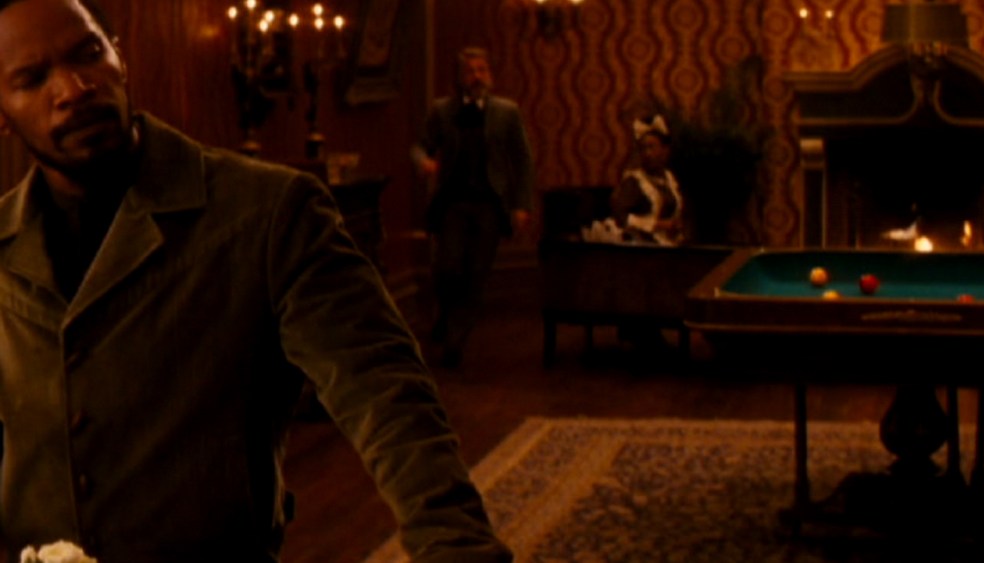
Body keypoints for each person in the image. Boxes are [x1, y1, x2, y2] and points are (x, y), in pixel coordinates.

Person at [0, 1, 512, 561]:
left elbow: (388, 396)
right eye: (33, 79)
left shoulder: (266, 212)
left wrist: (456, 544)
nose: (74, 88)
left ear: (118, 56)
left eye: (87, 53)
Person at [411, 46, 534, 369]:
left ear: (489, 74)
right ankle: (446, 315)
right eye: (470, 71)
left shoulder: (507, 112)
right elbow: (420, 146)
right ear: (459, 77)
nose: (477, 77)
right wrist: (423, 161)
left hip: (489, 205)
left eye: (482, 70)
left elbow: (522, 160)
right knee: (448, 268)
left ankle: (455, 342)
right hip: (453, 203)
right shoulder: (442, 111)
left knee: (476, 274)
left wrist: (521, 204)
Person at [610, 114, 685, 246]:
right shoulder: (634, 181)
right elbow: (621, 217)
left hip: (671, 245)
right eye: (643, 149)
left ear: (665, 150)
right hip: (645, 246)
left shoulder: (669, 178)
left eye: (651, 147)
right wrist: (658, 224)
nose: (647, 153)